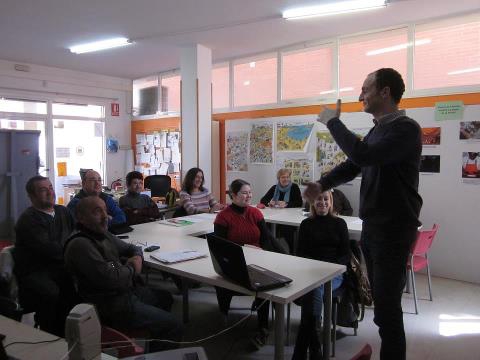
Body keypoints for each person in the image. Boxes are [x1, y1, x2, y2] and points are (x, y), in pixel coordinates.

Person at [304, 68, 423, 360]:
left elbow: (364, 156)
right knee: (382, 307)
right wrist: (322, 184)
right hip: (375, 227)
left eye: (366, 88)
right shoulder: (376, 129)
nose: (361, 95)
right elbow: (354, 165)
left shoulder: (406, 129)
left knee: (387, 311)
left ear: (385, 92)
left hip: (393, 230)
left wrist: (333, 121)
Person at [64, 196, 182, 351]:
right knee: (174, 326)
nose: (105, 216)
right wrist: (132, 269)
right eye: (97, 212)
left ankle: (151, 340)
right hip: (111, 303)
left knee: (165, 298)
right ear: (81, 218)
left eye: (105, 211)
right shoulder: (81, 244)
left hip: (125, 291)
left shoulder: (101, 233)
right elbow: (111, 279)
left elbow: (131, 248)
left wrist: (137, 257)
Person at [214, 179, 286, 350]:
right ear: (233, 195)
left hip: (258, 260)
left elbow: (267, 239)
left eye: (250, 192)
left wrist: (263, 252)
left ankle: (263, 327)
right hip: (235, 262)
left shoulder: (255, 213)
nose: (248, 196)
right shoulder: (223, 217)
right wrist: (243, 249)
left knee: (266, 284)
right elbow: (220, 246)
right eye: (244, 193)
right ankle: (225, 311)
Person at [14, 176, 78, 336]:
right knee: (52, 293)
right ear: (32, 196)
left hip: (63, 265)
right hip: (38, 270)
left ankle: (77, 330)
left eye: (50, 187)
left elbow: (78, 233)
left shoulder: (63, 211)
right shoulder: (28, 220)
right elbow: (50, 250)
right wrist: (76, 252)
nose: (50, 192)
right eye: (43, 190)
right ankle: (52, 334)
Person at [292, 190, 350, 360]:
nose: (322, 202)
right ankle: (315, 345)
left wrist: (329, 268)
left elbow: (345, 255)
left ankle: (303, 350)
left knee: (313, 290)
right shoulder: (306, 224)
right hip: (311, 272)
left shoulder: (340, 224)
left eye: (326, 199)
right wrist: (315, 268)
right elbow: (301, 253)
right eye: (318, 199)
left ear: (331, 202)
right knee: (314, 289)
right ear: (312, 202)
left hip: (334, 273)